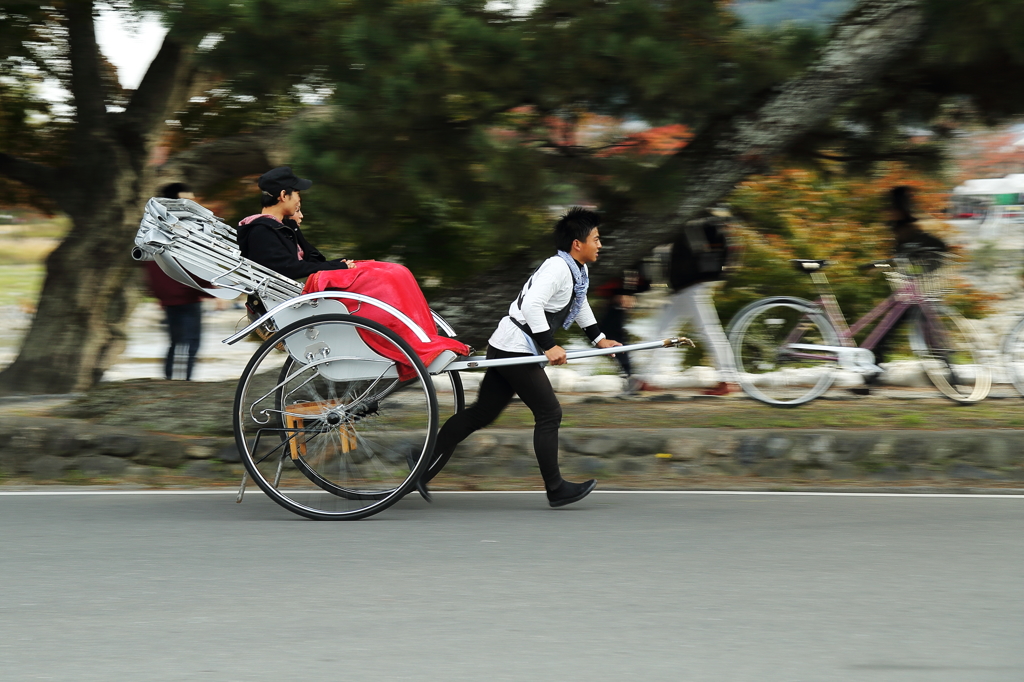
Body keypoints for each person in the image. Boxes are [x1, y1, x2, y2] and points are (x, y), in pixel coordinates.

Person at [428, 208, 622, 507]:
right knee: (549, 413)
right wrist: (549, 346)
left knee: (482, 414)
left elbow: (579, 304)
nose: (600, 244)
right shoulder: (558, 268)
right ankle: (556, 489)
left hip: (510, 344)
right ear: (577, 243)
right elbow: (532, 305)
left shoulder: (576, 269)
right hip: (515, 347)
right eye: (596, 239)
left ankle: (421, 465)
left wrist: (599, 339)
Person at [647, 211, 739, 395]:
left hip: (694, 286)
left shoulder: (702, 220)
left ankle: (728, 379)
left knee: (709, 331)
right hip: (681, 288)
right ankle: (646, 377)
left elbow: (723, 247)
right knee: (662, 331)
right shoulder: (686, 219)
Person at [237, 166, 355, 280]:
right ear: (283, 195)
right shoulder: (262, 232)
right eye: (297, 193)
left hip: (306, 286)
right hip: (299, 291)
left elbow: (308, 261)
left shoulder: (280, 227)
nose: (299, 199)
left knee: (366, 267)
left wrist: (337, 264)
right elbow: (290, 269)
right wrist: (338, 267)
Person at [144, 182, 209, 380]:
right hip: (185, 296)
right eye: (186, 201)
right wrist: (207, 289)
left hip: (174, 297)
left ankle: (172, 381)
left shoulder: (154, 227)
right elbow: (190, 265)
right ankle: (183, 383)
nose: (191, 204)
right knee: (190, 343)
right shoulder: (178, 229)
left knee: (177, 342)